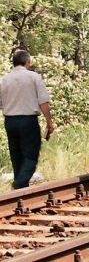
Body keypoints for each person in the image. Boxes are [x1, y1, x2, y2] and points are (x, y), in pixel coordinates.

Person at [0, 50, 53, 189]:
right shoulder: (33, 77)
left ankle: (20, 189)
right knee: (31, 155)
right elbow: (43, 102)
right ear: (27, 62)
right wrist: (49, 122)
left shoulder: (4, 79)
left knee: (16, 155)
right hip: (28, 120)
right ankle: (19, 183)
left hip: (10, 121)